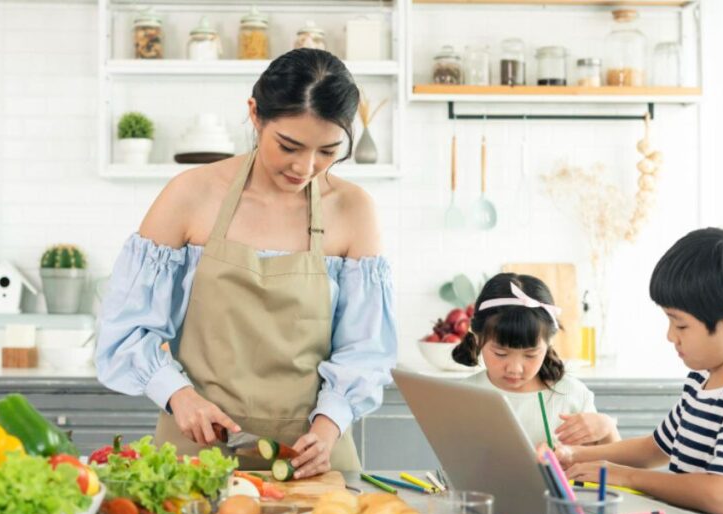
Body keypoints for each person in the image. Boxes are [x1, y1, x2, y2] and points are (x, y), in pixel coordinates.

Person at [95, 49, 396, 479]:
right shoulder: (189, 195)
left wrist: (328, 428)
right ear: (255, 115)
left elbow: (365, 350)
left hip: (311, 454)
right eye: (289, 146)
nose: (305, 168)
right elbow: (124, 329)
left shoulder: (354, 210)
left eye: (328, 151)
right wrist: (178, 395)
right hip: (195, 444)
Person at [555, 228, 723, 514]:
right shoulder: (702, 381)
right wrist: (573, 456)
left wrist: (624, 476)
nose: (671, 336)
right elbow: (653, 449)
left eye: (680, 324)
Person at [452, 273, 620, 448]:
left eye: (530, 355)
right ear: (478, 338)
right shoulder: (461, 395)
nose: (515, 369)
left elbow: (612, 466)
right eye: (500, 353)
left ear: (549, 343)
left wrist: (607, 427)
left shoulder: (572, 395)